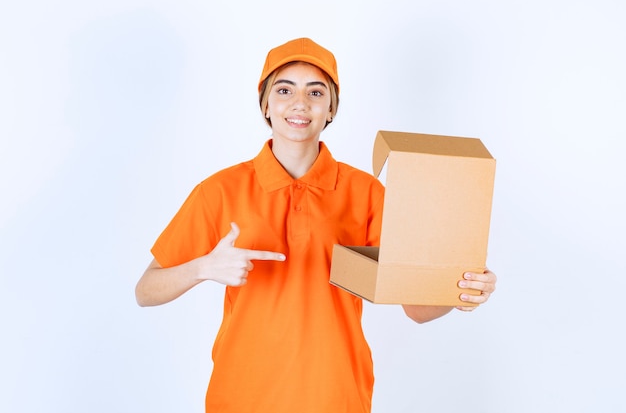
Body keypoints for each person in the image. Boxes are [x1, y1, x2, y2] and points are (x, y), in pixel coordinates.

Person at [135, 37, 497, 413]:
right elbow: (146, 290)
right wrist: (203, 267)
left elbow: (417, 308)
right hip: (241, 397)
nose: (299, 104)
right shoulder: (219, 191)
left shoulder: (367, 193)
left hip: (337, 397)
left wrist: (460, 287)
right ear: (266, 105)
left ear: (330, 109)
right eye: (284, 89)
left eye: (316, 92)